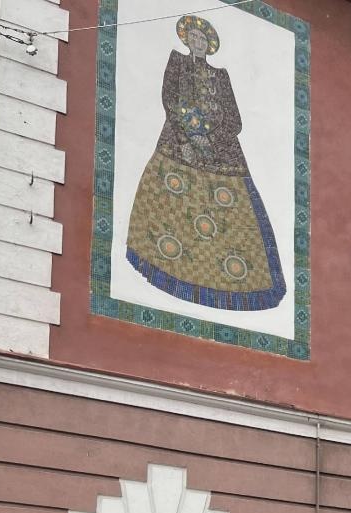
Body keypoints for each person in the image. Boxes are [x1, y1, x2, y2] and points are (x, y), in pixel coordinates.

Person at [126, 13, 286, 311]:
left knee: (235, 218)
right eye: (194, 38)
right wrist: (190, 135)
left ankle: (237, 289)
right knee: (168, 206)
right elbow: (169, 99)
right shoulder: (178, 62)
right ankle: (163, 270)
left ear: (209, 46)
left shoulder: (220, 76)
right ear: (186, 40)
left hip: (222, 154)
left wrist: (210, 139)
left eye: (203, 40)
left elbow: (234, 119)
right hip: (178, 143)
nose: (198, 43)